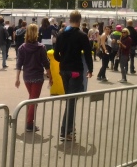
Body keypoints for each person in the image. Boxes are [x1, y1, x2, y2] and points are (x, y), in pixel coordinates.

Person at [53, 10, 93, 143]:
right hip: (75, 70)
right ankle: (66, 130)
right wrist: (90, 70)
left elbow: (56, 54)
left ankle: (69, 127)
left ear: (70, 20)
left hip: (64, 69)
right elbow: (88, 54)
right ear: (80, 21)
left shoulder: (61, 34)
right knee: (72, 101)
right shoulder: (82, 35)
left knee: (70, 99)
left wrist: (62, 60)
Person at [15, 24, 52, 132]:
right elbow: (46, 64)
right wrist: (50, 76)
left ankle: (29, 120)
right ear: (36, 33)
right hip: (37, 77)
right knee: (33, 100)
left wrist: (17, 78)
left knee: (31, 99)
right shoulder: (41, 47)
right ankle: (29, 124)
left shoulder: (22, 47)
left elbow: (19, 64)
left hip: (27, 76)